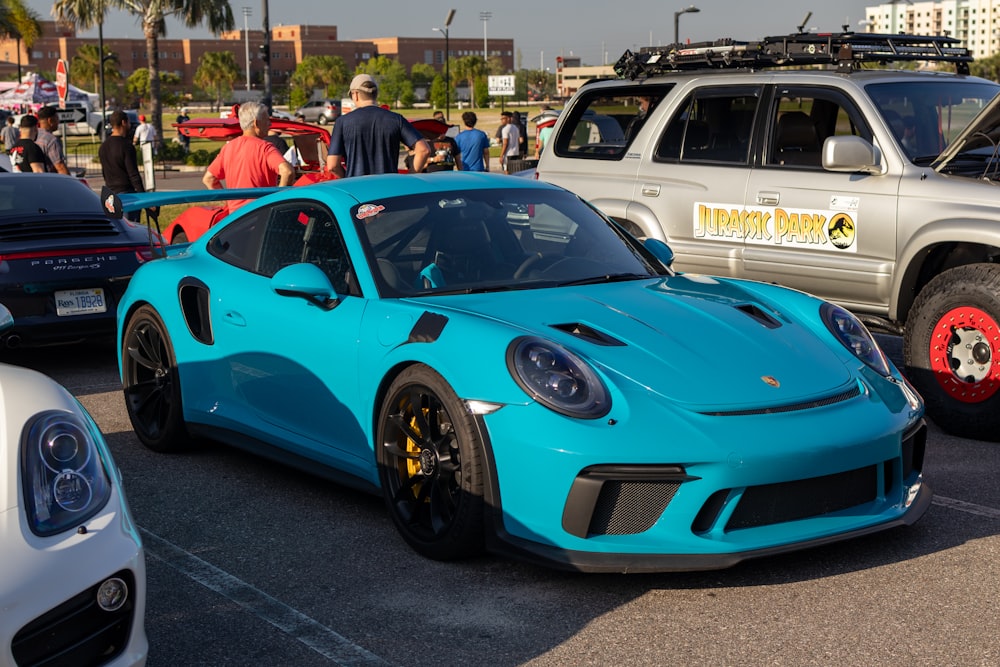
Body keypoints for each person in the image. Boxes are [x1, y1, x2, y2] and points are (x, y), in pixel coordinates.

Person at [326, 74, 430, 178]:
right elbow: (424, 150)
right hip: (389, 189)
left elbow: (332, 165)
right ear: (376, 94)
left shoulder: (342, 122)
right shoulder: (396, 119)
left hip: (356, 189)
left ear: (356, 94)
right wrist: (410, 177)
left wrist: (346, 179)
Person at [203, 100, 294, 212]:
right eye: (267, 120)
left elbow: (209, 179)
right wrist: (276, 202)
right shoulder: (265, 148)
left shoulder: (228, 148)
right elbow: (288, 172)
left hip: (236, 218)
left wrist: (228, 202)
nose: (270, 124)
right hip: (261, 215)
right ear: (256, 123)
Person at [99, 110, 146, 222]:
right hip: (127, 194)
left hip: (110, 194)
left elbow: (105, 172)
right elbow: (133, 174)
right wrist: (143, 196)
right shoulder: (126, 146)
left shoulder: (103, 147)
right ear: (124, 122)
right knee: (131, 228)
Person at [35, 106, 70, 175]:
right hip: (50, 179)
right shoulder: (51, 140)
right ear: (50, 120)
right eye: (57, 118)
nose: (58, 122)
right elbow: (60, 166)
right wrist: (69, 183)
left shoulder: (34, 136)